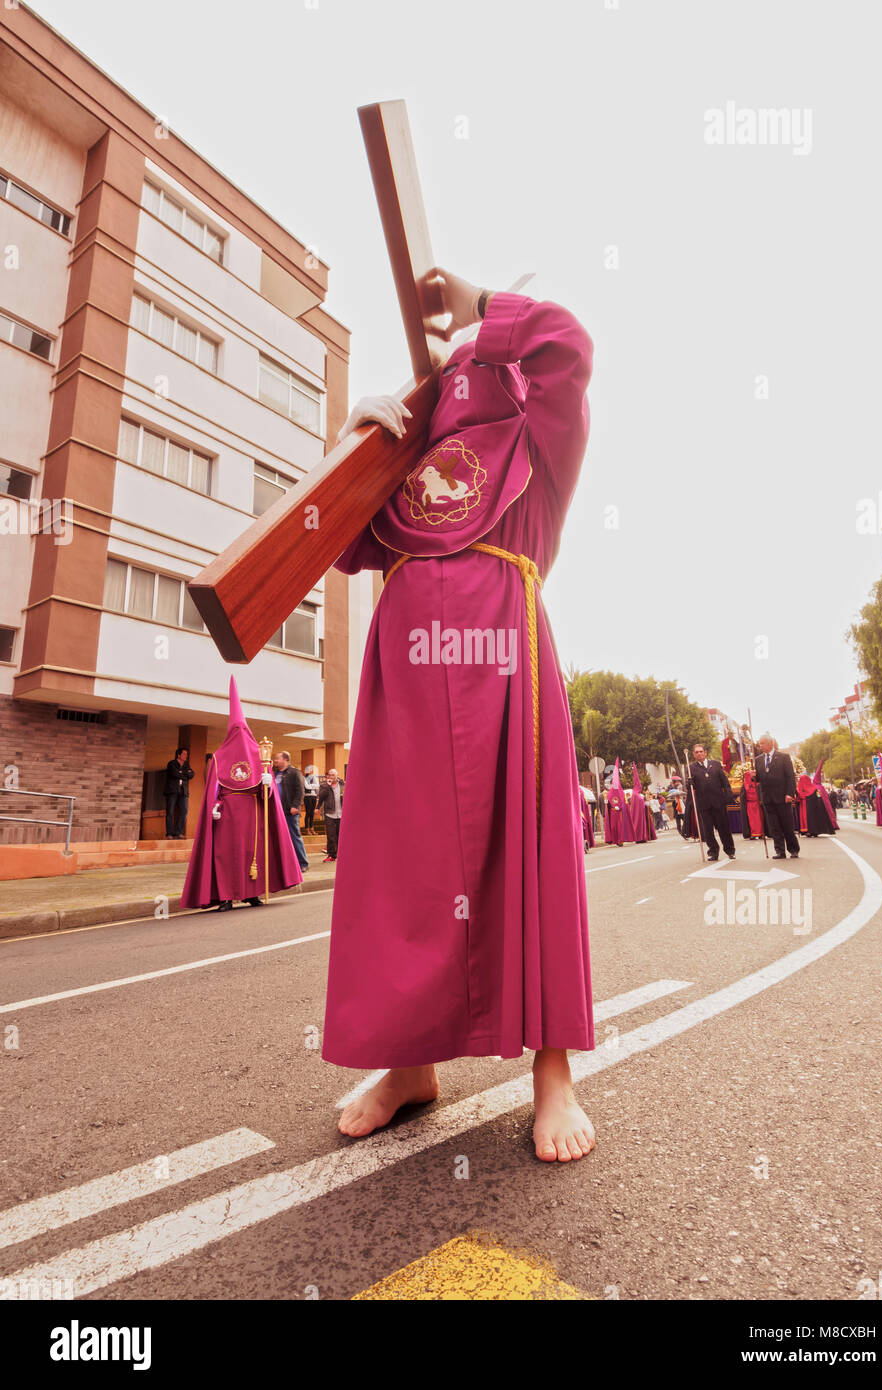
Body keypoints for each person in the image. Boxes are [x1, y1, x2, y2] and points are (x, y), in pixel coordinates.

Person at [322, 271, 596, 1163]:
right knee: (403, 867)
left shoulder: (540, 438)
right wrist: (353, 443)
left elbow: (568, 341)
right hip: (405, 680)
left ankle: (553, 1075)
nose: (467, 374)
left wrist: (479, 301)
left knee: (531, 856)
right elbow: (339, 539)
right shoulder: (405, 469)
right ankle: (410, 1066)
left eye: (484, 359)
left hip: (503, 662)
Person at [180, 679, 303, 911]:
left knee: (252, 852)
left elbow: (268, 797)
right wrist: (214, 807)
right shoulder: (218, 757)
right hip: (226, 814)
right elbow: (213, 789)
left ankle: (252, 893)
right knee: (224, 855)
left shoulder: (261, 756)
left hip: (252, 812)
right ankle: (226, 896)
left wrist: (268, 785)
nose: (239, 735)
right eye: (235, 730)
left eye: (242, 730)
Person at [753, 734, 800, 859]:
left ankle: (793, 849)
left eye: (762, 743)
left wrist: (790, 793)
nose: (760, 746)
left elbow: (790, 776)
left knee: (787, 825)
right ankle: (780, 850)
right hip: (767, 798)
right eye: (760, 743)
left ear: (770, 743)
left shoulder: (783, 757)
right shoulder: (758, 759)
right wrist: (754, 775)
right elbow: (759, 779)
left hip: (782, 797)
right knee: (774, 826)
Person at [687, 743, 736, 861]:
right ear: (694, 754)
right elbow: (689, 788)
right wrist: (689, 783)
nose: (699, 754)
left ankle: (730, 850)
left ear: (705, 752)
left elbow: (724, 782)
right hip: (703, 804)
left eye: (701, 751)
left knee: (724, 828)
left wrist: (728, 796)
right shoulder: (691, 768)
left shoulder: (715, 764)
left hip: (718, 802)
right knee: (708, 830)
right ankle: (713, 852)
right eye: (696, 752)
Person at [273, 751, 309, 872]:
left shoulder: (294, 772)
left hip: (290, 811)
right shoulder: (274, 774)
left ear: (285, 759)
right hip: (278, 811)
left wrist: (295, 806)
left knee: (294, 836)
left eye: (277, 758)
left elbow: (300, 791)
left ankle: (303, 863)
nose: (275, 760)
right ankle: (287, 863)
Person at [164, 746, 194, 839]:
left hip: (183, 791)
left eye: (186, 754)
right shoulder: (171, 763)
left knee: (184, 811)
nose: (186, 756)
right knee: (170, 812)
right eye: (184, 754)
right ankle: (169, 833)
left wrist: (182, 773)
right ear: (179, 755)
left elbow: (192, 774)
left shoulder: (186, 765)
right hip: (172, 791)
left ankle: (179, 832)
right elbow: (175, 773)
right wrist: (185, 774)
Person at [317, 769, 345, 862]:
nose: (331, 777)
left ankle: (341, 854)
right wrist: (327, 786)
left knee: (341, 835)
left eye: (333, 775)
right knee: (331, 835)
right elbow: (321, 797)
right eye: (329, 775)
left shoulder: (343, 784)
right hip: (330, 814)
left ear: (337, 776)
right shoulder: (324, 785)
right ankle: (332, 855)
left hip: (342, 814)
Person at [303, 764, 320, 833]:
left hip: (314, 796)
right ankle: (307, 828)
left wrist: (311, 786)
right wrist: (313, 786)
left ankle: (312, 828)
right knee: (308, 812)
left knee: (312, 813)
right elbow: (307, 787)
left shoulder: (314, 777)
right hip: (307, 796)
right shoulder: (304, 778)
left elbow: (317, 786)